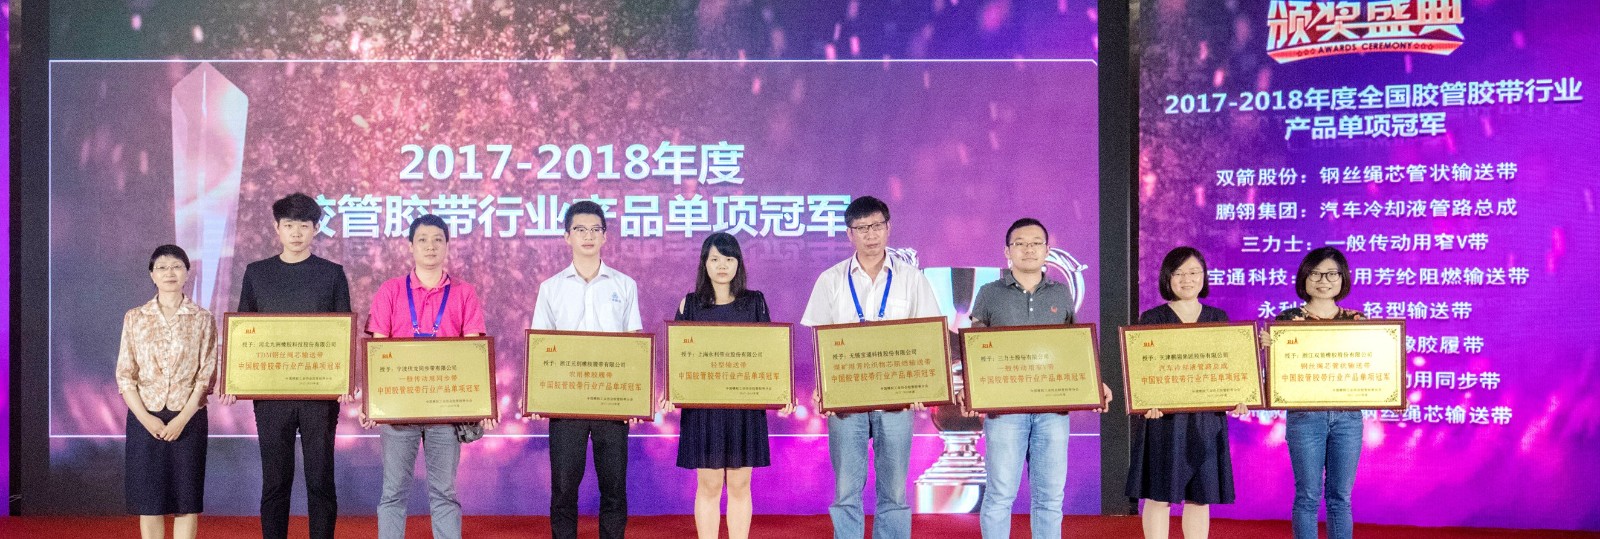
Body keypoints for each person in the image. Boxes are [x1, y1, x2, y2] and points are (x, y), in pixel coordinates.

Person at [800, 196, 943, 539]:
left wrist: (924, 387)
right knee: (846, 489)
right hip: (847, 400)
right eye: (862, 228)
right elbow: (821, 342)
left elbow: (927, 337)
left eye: (877, 226)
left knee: (894, 491)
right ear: (849, 234)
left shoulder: (912, 279)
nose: (871, 235)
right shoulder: (830, 280)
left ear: (888, 228)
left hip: (896, 399)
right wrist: (823, 388)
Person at [967, 218, 1113, 539]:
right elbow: (975, 347)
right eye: (1020, 243)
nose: (1029, 249)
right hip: (1005, 410)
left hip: (1052, 410)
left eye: (1036, 243)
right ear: (1007, 251)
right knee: (1000, 495)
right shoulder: (989, 293)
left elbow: (1075, 346)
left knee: (1049, 498)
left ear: (1048, 250)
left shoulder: (1061, 293)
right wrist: (972, 388)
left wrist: (1095, 383)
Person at [223, 192, 353, 539]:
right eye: (289, 225)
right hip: (271, 394)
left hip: (319, 395)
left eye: (304, 225)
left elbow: (343, 332)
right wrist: (234, 380)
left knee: (320, 480)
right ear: (276, 228)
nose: (297, 232)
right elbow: (244, 332)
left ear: (316, 229)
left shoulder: (332, 274)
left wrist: (345, 379)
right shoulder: (257, 273)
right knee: (275, 481)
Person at [359, 214, 496, 539]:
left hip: (445, 411)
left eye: (438, 240)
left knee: (444, 493)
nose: (430, 246)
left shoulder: (464, 293)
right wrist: (372, 404)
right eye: (422, 240)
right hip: (398, 410)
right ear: (410, 246)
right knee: (393, 492)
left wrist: (483, 405)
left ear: (447, 245)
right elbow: (378, 351)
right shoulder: (390, 291)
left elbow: (473, 352)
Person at [659, 232, 792, 539]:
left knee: (740, 484)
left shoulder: (755, 302)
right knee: (708, 484)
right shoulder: (690, 304)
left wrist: (782, 391)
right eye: (715, 259)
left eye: (729, 259)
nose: (722, 265)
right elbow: (679, 357)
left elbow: (768, 352)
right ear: (704, 264)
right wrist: (672, 390)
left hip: (744, 406)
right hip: (704, 408)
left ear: (738, 263)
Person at [529, 200, 643, 539]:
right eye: (580, 229)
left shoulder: (624, 285)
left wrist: (635, 399)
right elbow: (540, 347)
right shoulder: (550, 288)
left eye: (595, 229)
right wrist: (537, 395)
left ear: (605, 236)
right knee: (564, 488)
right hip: (566, 401)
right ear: (567, 236)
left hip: (612, 400)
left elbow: (634, 346)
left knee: (614, 488)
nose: (588, 236)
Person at [1125, 246, 1248, 539]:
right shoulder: (1152, 318)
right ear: (1167, 278)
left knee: (1200, 496)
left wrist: (1240, 395)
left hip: (1206, 419)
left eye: (1194, 272)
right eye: (1179, 273)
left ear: (1204, 277)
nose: (1187, 279)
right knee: (1159, 495)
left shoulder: (1218, 317)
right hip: (1164, 420)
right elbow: (1141, 368)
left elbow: (1230, 364)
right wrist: (1145, 400)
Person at [116, 244, 217, 539]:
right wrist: (146, 419)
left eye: (176, 266)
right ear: (152, 275)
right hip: (145, 417)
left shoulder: (202, 318)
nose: (169, 273)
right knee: (150, 502)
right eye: (161, 267)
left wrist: (181, 419)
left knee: (186, 502)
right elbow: (125, 375)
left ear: (187, 272)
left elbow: (206, 376)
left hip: (188, 418)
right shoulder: (135, 317)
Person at [1273, 246, 1366, 539]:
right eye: (1315, 274)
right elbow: (1278, 371)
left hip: (1348, 418)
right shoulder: (1286, 321)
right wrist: (1267, 348)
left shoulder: (1358, 321)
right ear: (1304, 277)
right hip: (1305, 417)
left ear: (1343, 279)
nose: (1323, 281)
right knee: (1308, 496)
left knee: (1341, 498)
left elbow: (1372, 363)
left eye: (1331, 274)